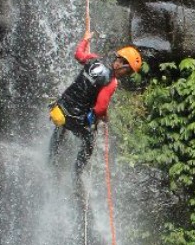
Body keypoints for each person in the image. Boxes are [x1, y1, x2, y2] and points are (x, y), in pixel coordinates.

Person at [49, 31, 142, 177]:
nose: (127, 75)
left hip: (61, 107)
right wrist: (104, 117)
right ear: (122, 65)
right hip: (74, 117)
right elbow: (100, 108)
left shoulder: (95, 60)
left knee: (61, 125)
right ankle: (77, 173)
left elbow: (78, 55)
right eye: (128, 71)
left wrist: (85, 40)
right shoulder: (111, 82)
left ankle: (51, 157)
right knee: (89, 140)